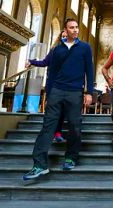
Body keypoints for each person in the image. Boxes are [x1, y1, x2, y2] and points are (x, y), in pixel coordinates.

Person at [23, 19, 94, 180]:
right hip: (57, 90)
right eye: (72, 28)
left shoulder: (85, 48)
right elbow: (49, 67)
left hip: (75, 92)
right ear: (65, 30)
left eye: (76, 27)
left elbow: (89, 71)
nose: (75, 30)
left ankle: (71, 157)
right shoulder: (57, 49)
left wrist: (89, 92)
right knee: (48, 126)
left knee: (75, 126)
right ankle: (39, 164)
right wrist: (49, 91)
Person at [26, 29, 67, 143]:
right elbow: (44, 62)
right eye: (62, 36)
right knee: (53, 109)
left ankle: (58, 132)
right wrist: (31, 62)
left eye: (66, 36)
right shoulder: (54, 50)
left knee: (62, 110)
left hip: (65, 84)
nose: (64, 38)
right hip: (52, 84)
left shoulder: (73, 51)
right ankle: (50, 132)